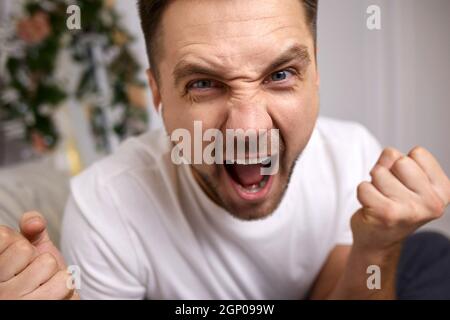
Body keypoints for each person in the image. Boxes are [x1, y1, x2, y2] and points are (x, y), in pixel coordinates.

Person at [0, 0, 449, 300]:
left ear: (315, 74)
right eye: (203, 84)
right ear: (158, 95)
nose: (249, 129)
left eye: (280, 74)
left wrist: (378, 246)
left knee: (429, 254)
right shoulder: (105, 204)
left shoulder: (351, 155)